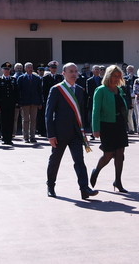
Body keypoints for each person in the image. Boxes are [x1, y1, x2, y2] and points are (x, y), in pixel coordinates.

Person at [45, 62, 98, 199]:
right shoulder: (56, 89)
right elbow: (49, 113)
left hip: (75, 133)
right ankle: (51, 185)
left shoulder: (80, 90)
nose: (74, 74)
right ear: (63, 73)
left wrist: (83, 131)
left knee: (79, 161)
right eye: (71, 71)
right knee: (55, 160)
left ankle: (84, 189)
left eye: (75, 71)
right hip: (59, 133)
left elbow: (80, 112)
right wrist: (51, 135)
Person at [90, 65, 129, 193]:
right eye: (114, 76)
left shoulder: (119, 89)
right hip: (106, 125)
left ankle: (118, 181)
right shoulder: (100, 90)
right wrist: (95, 129)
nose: (117, 78)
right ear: (108, 76)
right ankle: (96, 171)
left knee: (120, 154)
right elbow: (95, 111)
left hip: (119, 124)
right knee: (108, 154)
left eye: (119, 76)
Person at [17, 62, 43, 143]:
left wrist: (40, 102)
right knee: (25, 120)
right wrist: (19, 102)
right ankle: (26, 137)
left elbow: (40, 91)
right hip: (25, 102)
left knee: (33, 120)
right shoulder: (21, 78)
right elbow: (18, 91)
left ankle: (32, 137)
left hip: (34, 102)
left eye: (31, 67)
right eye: (28, 67)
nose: (30, 68)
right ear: (25, 69)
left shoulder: (37, 78)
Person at [0, 62, 19, 146]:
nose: (6, 71)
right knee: (3, 121)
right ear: (2, 70)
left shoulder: (13, 80)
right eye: (5, 69)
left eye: (8, 69)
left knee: (11, 121)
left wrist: (17, 103)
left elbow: (16, 92)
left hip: (11, 104)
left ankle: (9, 138)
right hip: (2, 104)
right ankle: (4, 138)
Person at [86, 65, 102, 138]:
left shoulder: (102, 79)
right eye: (95, 69)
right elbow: (88, 92)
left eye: (98, 69)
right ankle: (93, 132)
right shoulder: (89, 80)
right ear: (92, 71)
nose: (97, 70)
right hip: (92, 101)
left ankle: (101, 132)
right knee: (92, 117)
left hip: (102, 101)